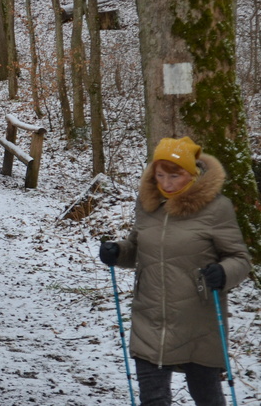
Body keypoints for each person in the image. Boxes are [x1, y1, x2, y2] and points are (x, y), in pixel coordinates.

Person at [99, 136, 251, 406]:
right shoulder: (148, 205)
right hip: (150, 318)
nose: (166, 183)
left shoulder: (216, 208)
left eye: (175, 175)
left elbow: (239, 258)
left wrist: (224, 272)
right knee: (153, 400)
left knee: (207, 398)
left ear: (191, 174)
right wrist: (117, 251)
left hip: (198, 324)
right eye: (159, 175)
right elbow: (136, 246)